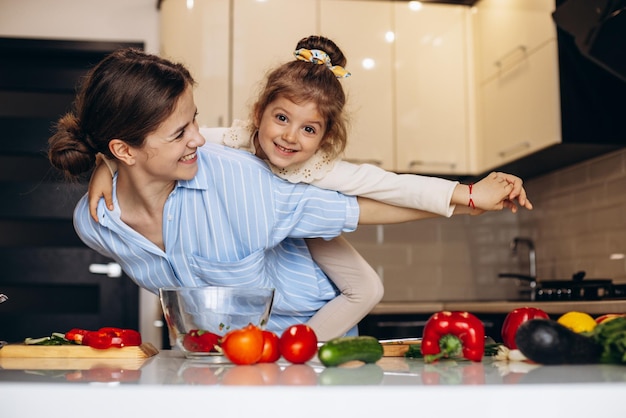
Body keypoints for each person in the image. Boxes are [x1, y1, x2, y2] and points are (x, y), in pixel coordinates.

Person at [49, 48, 526, 340]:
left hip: (297, 352)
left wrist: (464, 199)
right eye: (180, 131)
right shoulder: (98, 223)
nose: (197, 136)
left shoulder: (256, 177)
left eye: (196, 120)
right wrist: (103, 163)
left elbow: (376, 193)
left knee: (365, 285)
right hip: (218, 362)